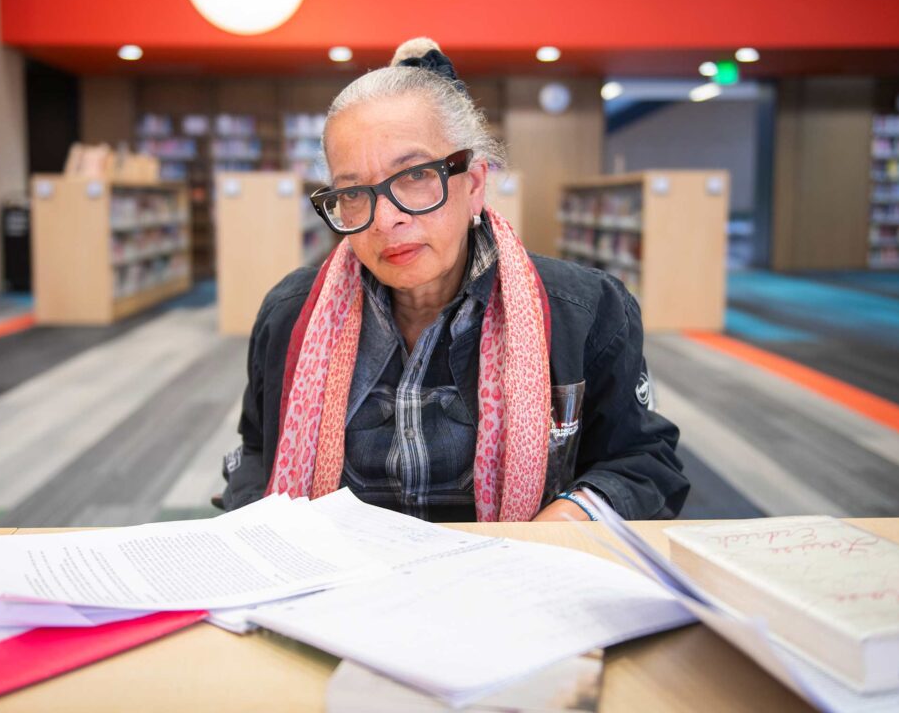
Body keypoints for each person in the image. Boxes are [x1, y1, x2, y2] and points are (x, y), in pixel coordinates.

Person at [222, 37, 688, 522]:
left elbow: (644, 463)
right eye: (353, 193)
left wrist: (573, 514)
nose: (385, 221)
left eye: (416, 175)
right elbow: (257, 450)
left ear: (475, 183)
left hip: (508, 583)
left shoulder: (586, 311)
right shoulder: (292, 314)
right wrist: (256, 520)